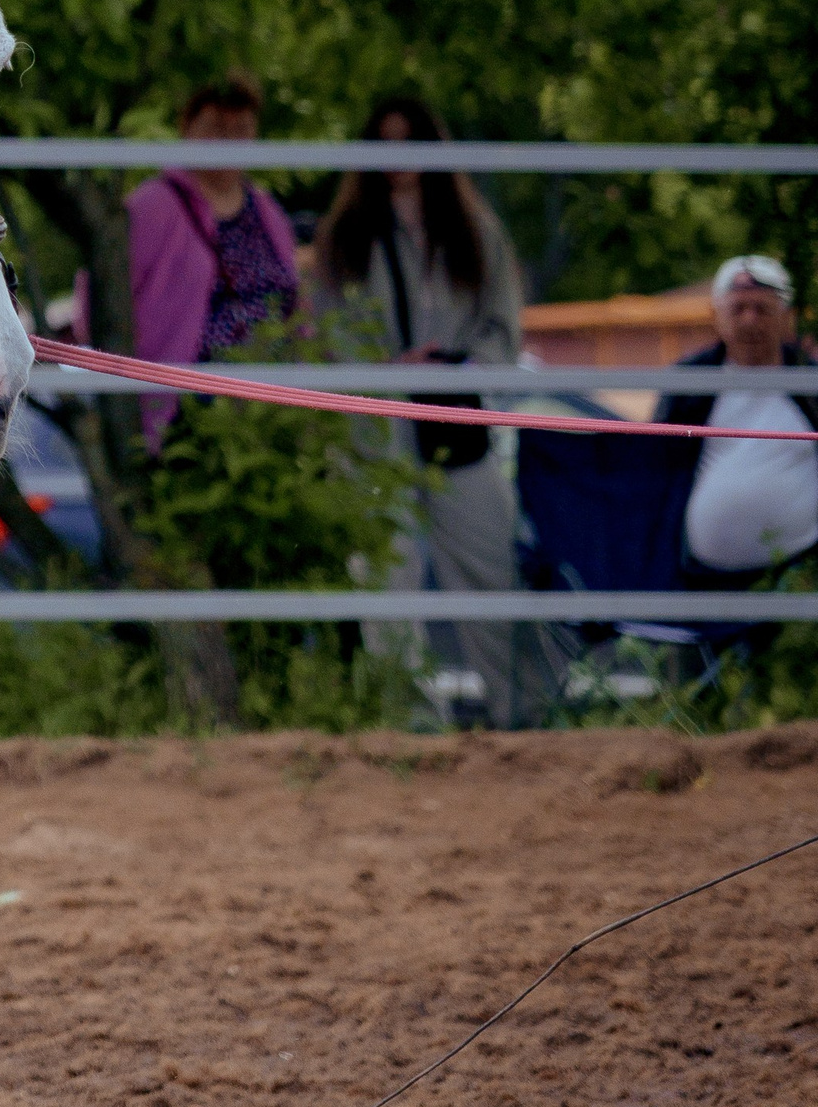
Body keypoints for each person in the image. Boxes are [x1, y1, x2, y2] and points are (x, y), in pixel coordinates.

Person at [313, 90, 531, 724]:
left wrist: (456, 368)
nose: (398, 155)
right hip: (373, 430)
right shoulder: (345, 236)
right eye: (385, 140)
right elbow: (327, 339)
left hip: (457, 420)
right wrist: (385, 371)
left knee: (489, 569)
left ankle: (521, 717)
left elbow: (504, 330)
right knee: (386, 581)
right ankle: (410, 729)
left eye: (410, 139)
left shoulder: (474, 229)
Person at [125, 73, 300, 444]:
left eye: (241, 129)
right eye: (217, 127)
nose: (229, 140)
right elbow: (100, 298)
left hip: (272, 407)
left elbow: (297, 305)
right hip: (187, 410)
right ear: (187, 128)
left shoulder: (268, 211)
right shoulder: (153, 204)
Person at [658, 255, 818, 581]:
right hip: (698, 579)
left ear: (786, 317)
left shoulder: (810, 384)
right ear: (715, 315)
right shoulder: (689, 384)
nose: (749, 321)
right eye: (738, 309)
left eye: (762, 309)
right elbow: (654, 469)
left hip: (797, 577)